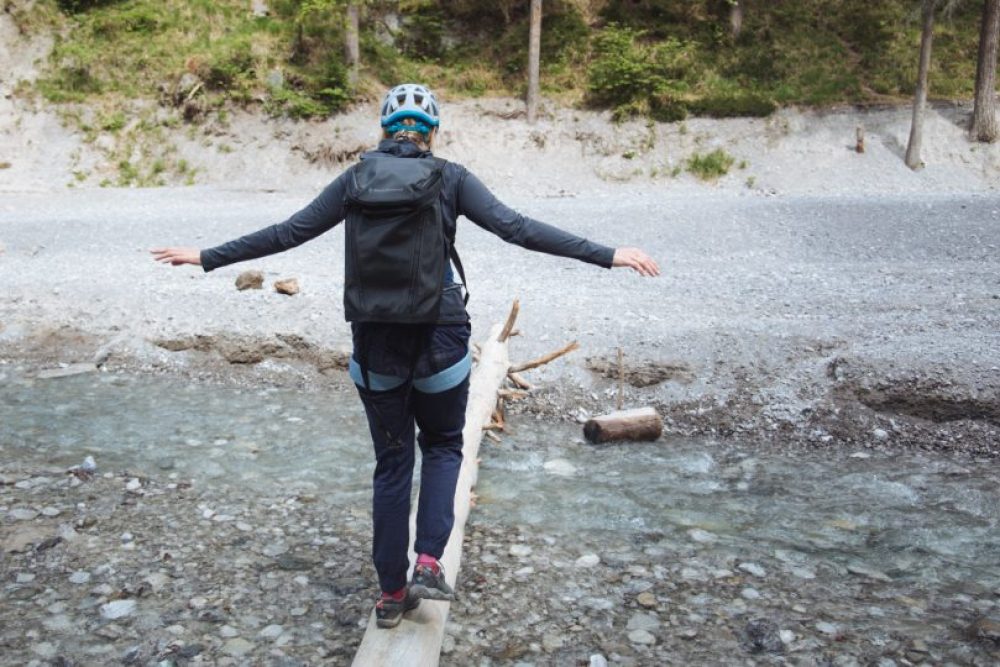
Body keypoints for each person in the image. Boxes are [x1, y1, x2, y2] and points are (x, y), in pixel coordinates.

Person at [152, 82, 659, 629]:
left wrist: (207, 256)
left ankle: (392, 593)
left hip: (376, 350)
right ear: (432, 133)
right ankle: (428, 562)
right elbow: (518, 229)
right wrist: (609, 254)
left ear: (384, 131)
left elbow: (288, 233)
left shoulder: (355, 180)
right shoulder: (451, 177)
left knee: (392, 466)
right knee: (443, 447)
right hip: (440, 342)